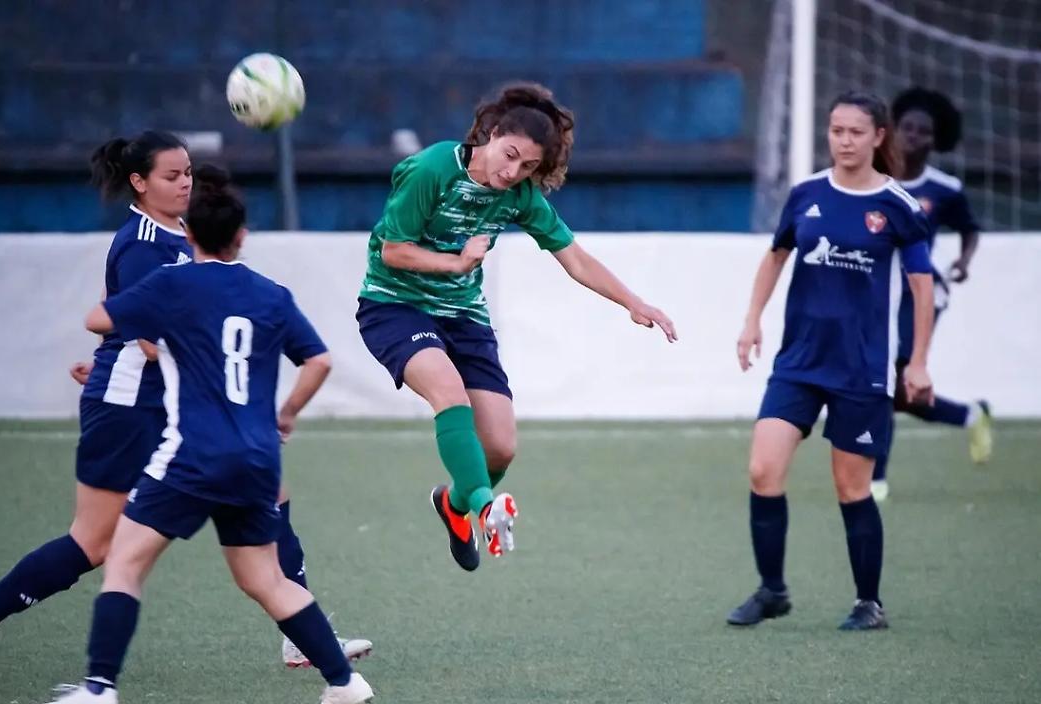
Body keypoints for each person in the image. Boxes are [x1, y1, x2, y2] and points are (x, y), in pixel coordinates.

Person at [0, 132, 369, 685]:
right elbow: (148, 337)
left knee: (271, 492)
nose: (185, 182)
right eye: (172, 175)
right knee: (93, 543)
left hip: (175, 398)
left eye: (188, 172)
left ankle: (298, 635)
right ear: (139, 183)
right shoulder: (143, 243)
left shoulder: (178, 237)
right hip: (130, 405)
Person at [357, 82, 677, 571]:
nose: (513, 173)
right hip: (395, 305)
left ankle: (455, 504)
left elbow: (574, 258)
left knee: (501, 448)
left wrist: (633, 302)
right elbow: (393, 250)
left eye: (528, 166)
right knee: (449, 393)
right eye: (509, 156)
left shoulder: (521, 196)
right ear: (489, 133)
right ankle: (486, 507)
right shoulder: (433, 169)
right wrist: (455, 264)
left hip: (463, 316)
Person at [727, 92, 934, 632]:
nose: (844, 141)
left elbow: (921, 287)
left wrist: (918, 363)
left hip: (861, 370)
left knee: (851, 488)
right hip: (798, 362)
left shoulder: (897, 209)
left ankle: (870, 603)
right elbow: (775, 256)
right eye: (836, 130)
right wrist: (752, 322)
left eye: (855, 132)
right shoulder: (806, 195)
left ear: (878, 137)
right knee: (762, 469)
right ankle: (772, 591)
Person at [869, 86, 992, 502]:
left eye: (923, 132)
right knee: (903, 396)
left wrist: (963, 261)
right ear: (893, 131)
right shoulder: (872, 177)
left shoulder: (944, 189)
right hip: (874, 290)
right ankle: (970, 414)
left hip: (922, 292)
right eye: (907, 128)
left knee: (889, 376)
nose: (913, 137)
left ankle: (875, 479)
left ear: (936, 140)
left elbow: (971, 230)